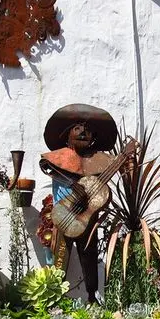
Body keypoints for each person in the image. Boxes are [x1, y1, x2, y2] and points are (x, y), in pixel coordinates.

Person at [39, 104, 119, 303]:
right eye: (77, 128)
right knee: (60, 258)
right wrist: (71, 184)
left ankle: (92, 296)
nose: (83, 132)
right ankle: (54, 298)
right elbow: (47, 166)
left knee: (89, 256)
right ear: (67, 135)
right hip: (63, 216)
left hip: (87, 219)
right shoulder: (58, 158)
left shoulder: (99, 160)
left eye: (88, 130)